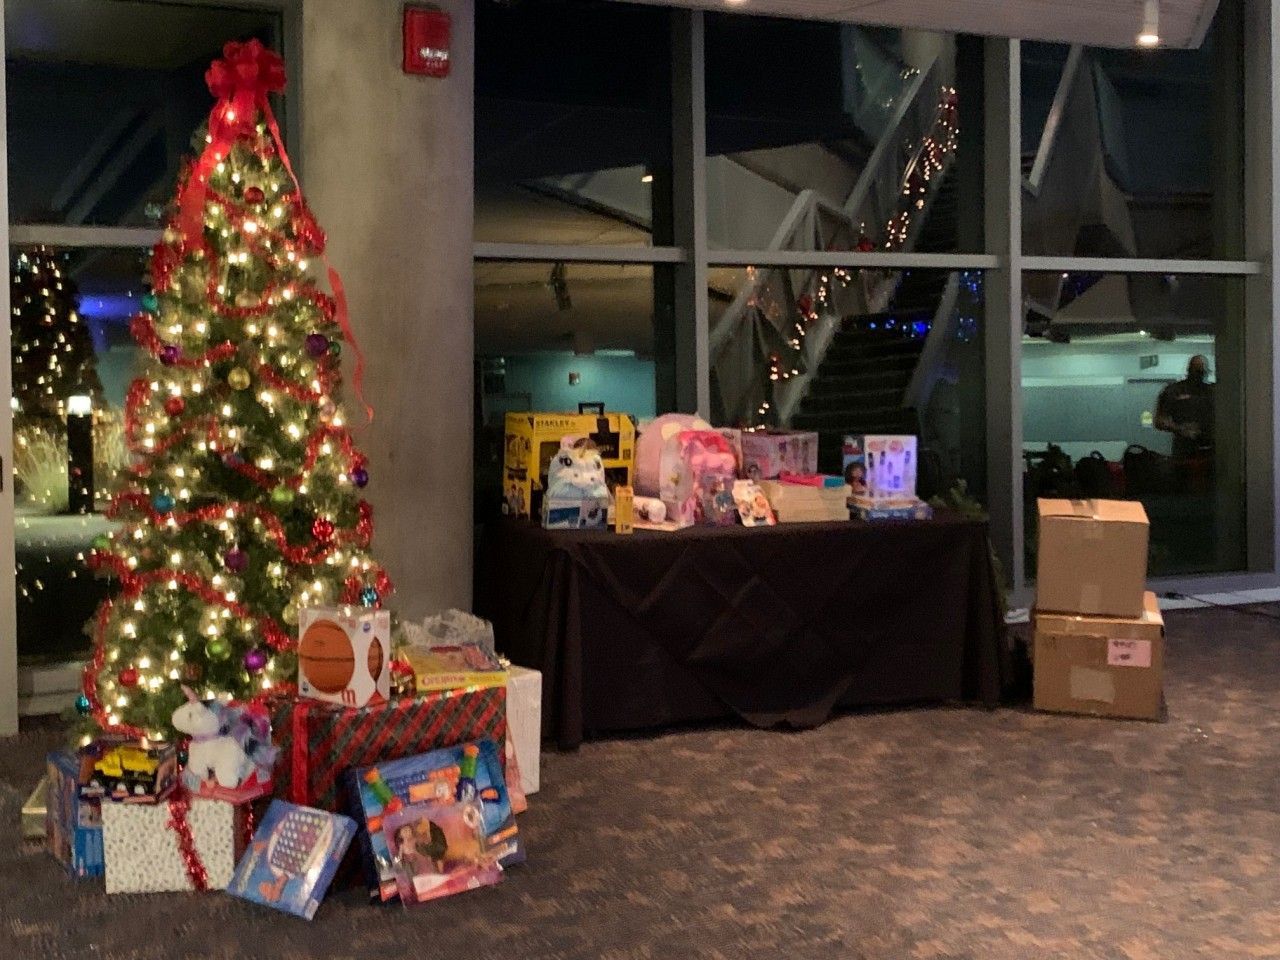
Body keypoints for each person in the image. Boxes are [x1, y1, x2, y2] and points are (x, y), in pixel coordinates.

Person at [1155, 355, 1214, 461]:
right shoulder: (1174, 391)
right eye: (1196, 371)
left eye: (1201, 371)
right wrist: (1181, 429)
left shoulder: (1213, 392)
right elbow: (1159, 420)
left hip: (1210, 450)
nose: (1198, 375)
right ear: (1189, 370)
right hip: (1183, 451)